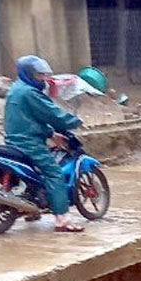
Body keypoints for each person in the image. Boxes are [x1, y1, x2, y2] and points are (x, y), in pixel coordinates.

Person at [5, 55, 84, 233]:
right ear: (27, 74)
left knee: (33, 175)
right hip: (29, 143)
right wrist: (74, 121)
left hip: (14, 140)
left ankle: (31, 209)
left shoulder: (16, 89)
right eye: (38, 75)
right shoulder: (30, 93)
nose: (42, 79)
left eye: (42, 75)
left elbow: (28, 119)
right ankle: (62, 219)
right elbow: (52, 113)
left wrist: (51, 134)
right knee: (54, 173)